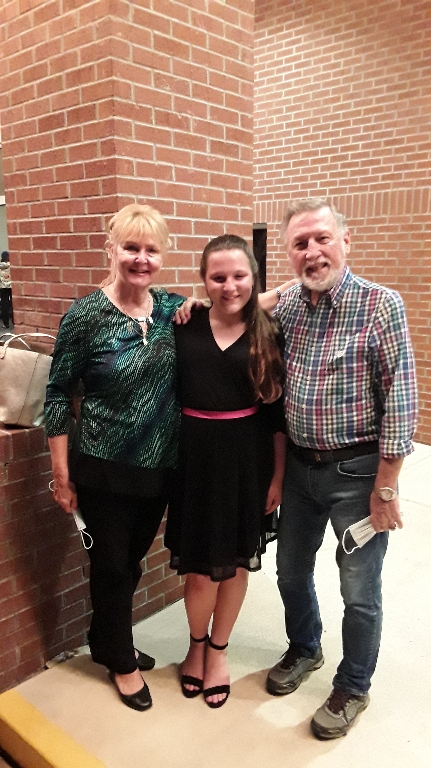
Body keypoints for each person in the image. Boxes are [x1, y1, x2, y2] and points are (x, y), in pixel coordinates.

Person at [264, 198, 417, 738]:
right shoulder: (288, 305)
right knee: (290, 571)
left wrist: (386, 486)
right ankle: (305, 647)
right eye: (300, 244)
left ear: (346, 241)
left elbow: (401, 397)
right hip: (300, 469)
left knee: (358, 588)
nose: (312, 252)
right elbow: (239, 307)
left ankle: (353, 684)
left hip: (358, 473)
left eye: (322, 239)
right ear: (289, 254)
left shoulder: (380, 305)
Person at [45, 204, 188, 712]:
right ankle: (122, 662)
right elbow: (58, 393)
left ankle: (106, 641)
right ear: (111, 249)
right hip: (102, 468)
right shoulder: (85, 316)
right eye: (131, 247)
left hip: (158, 469)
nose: (141, 259)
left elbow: (233, 301)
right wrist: (61, 474)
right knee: (110, 567)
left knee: (129, 565)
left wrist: (292, 288)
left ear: (162, 256)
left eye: (151, 250)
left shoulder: (172, 309)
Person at [165, 234, 286, 708]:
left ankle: (218, 651)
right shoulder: (185, 323)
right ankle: (195, 646)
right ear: (203, 280)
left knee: (235, 564)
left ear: (254, 278)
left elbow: (276, 416)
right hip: (194, 460)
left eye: (239, 276)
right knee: (199, 572)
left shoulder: (267, 330)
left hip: (247, 461)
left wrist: (277, 477)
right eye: (218, 277)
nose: (229, 286)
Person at [0, 250, 13, 329]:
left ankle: (6, 323)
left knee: (4, 305)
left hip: (2, 287)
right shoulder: (11, 265)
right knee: (13, 303)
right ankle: (15, 321)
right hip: (11, 286)